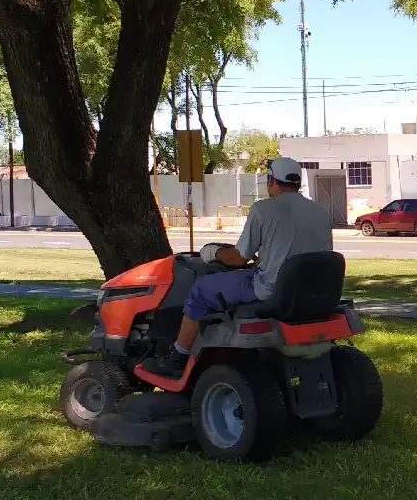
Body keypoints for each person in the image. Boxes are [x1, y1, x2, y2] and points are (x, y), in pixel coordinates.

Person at [143, 157, 333, 378]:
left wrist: (212, 253)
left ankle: (178, 357)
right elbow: (305, 254)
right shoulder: (320, 212)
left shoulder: (263, 209)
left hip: (271, 289)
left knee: (200, 290)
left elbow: (238, 259)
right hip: (312, 290)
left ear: (272, 181)